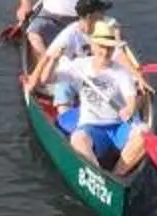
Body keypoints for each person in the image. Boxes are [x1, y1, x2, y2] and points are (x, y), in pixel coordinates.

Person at [54, 17, 152, 174]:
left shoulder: (122, 72)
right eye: (101, 46)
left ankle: (117, 174)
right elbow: (47, 79)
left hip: (118, 127)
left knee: (145, 132)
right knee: (78, 139)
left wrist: (129, 109)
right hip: (92, 126)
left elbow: (131, 99)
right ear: (92, 45)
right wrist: (52, 59)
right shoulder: (79, 66)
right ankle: (98, 176)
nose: (105, 51)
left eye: (109, 48)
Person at [25, 0, 132, 119]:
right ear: (89, 16)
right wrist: (33, 80)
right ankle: (65, 116)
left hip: (100, 73)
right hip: (77, 76)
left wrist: (137, 76)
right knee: (63, 86)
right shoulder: (71, 33)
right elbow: (47, 56)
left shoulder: (105, 30)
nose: (104, 15)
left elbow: (120, 54)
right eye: (101, 12)